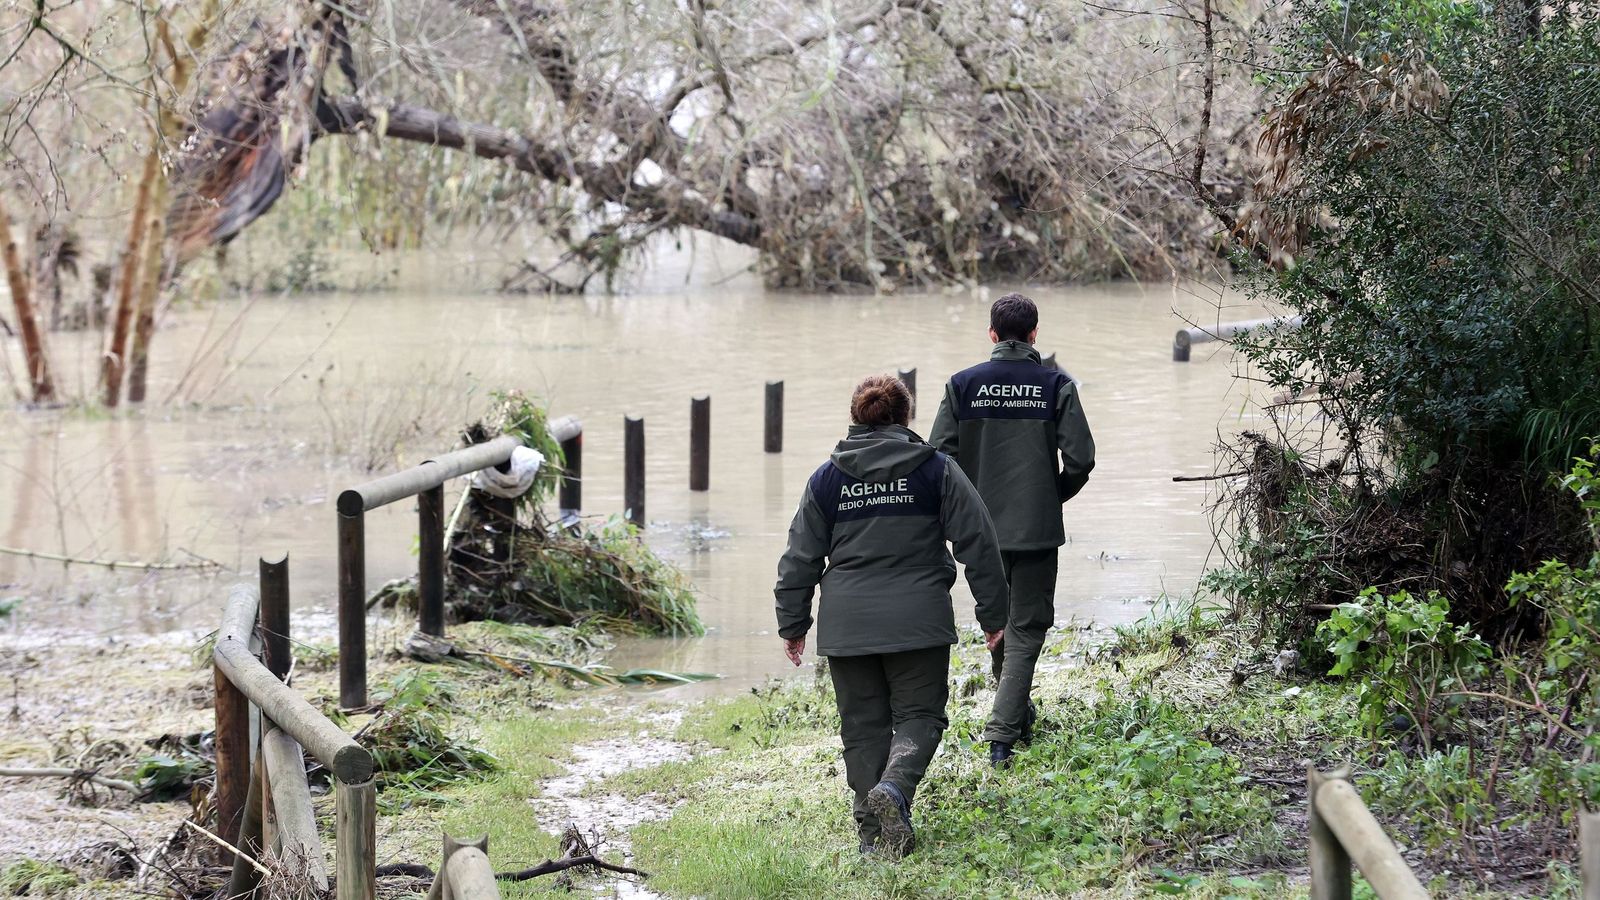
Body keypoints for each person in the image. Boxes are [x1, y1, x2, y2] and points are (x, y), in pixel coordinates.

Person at [774, 374, 1009, 859]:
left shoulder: (826, 478)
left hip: (848, 625)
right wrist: (993, 613)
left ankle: (871, 836)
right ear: (906, 417)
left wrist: (793, 623)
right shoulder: (936, 470)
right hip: (917, 621)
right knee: (920, 715)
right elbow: (979, 543)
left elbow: (800, 557)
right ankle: (896, 790)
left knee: (861, 727)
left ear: (855, 418)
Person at [930, 292, 1096, 768]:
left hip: (979, 532)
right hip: (1037, 531)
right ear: (1035, 335)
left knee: (1000, 622)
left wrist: (966, 512)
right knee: (1026, 627)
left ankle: (1017, 715)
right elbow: (1081, 460)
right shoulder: (1056, 385)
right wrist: (1050, 496)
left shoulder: (961, 385)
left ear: (991, 335)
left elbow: (940, 458)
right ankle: (1002, 735)